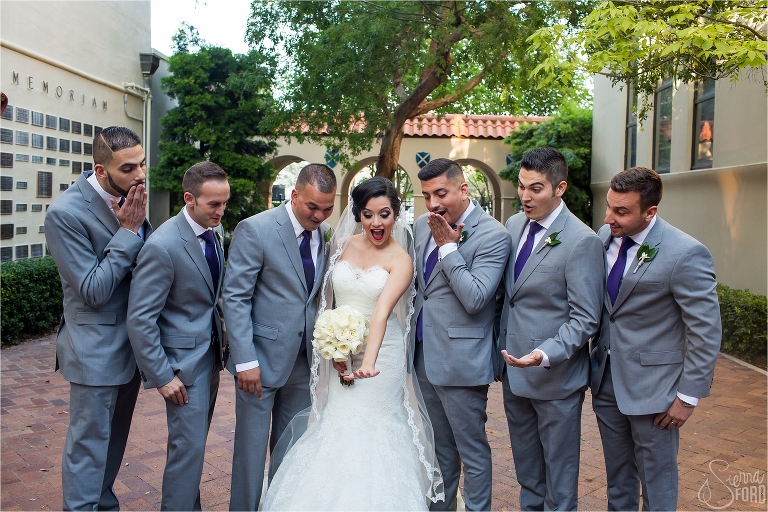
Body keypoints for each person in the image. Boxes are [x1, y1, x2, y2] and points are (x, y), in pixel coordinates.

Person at [263, 177, 444, 510]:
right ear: (358, 214)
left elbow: (380, 314)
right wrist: (334, 349)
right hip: (341, 352)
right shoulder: (342, 245)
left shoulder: (401, 259)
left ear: (396, 215)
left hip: (380, 359)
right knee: (337, 424)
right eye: (368, 214)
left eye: (385, 214)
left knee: (374, 429)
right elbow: (326, 304)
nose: (377, 223)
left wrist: (368, 362)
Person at [591, 166, 721, 510]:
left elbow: (705, 331)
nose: (608, 218)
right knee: (618, 478)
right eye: (609, 207)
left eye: (621, 211)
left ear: (651, 211)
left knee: (657, 482)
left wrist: (688, 397)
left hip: (656, 392)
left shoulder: (686, 253)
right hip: (606, 381)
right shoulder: (604, 239)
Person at [44, 126, 152, 510]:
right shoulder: (64, 213)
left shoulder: (132, 196)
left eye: (141, 164)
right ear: (101, 170)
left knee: (115, 441)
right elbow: (92, 290)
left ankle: (102, 505)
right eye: (128, 168)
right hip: (94, 349)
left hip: (131, 347)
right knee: (88, 445)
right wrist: (127, 230)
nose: (139, 175)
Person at [223, 164, 336, 511]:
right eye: (312, 207)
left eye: (327, 208)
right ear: (295, 194)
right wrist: (245, 359)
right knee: (251, 455)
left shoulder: (327, 235)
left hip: (304, 363)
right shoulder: (255, 229)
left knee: (291, 451)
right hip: (258, 362)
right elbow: (236, 297)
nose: (319, 215)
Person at [498, 146, 604, 511]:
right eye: (523, 186)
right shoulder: (513, 225)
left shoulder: (582, 240)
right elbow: (510, 298)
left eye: (536, 188)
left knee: (559, 479)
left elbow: (586, 318)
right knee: (527, 472)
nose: (525, 196)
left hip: (556, 378)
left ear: (560, 188)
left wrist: (544, 354)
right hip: (514, 374)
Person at [127, 162, 230, 510]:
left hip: (210, 358)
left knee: (194, 447)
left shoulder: (211, 232)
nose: (221, 211)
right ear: (189, 199)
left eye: (224, 203)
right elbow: (140, 318)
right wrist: (162, 376)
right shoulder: (163, 246)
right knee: (187, 451)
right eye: (214, 204)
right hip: (182, 369)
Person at [412, 158, 511, 511]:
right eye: (426, 196)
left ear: (463, 189)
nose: (433, 204)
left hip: (461, 360)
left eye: (441, 193)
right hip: (423, 354)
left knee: (471, 449)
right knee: (438, 448)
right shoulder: (423, 226)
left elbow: (475, 298)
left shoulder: (494, 235)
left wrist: (449, 248)